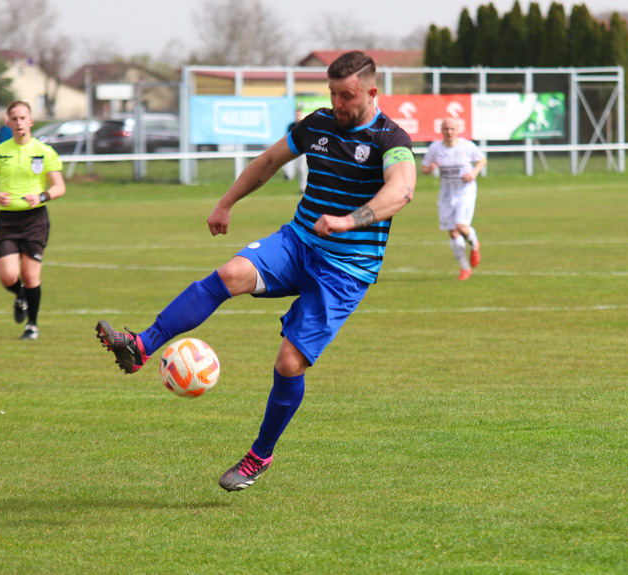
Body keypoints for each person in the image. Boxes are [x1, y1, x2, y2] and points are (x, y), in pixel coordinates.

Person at [95, 51, 416, 492]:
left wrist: (347, 220)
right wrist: (226, 202)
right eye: (333, 94)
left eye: (348, 96)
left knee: (288, 363)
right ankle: (141, 346)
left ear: (372, 92)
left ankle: (259, 454)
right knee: (229, 273)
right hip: (298, 242)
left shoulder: (391, 138)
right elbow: (268, 162)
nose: (339, 104)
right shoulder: (317, 124)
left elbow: (402, 190)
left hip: (345, 269)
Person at [0, 101, 66, 340]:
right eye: (14, 119)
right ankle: (21, 296)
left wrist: (41, 195)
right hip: (8, 220)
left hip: (35, 220)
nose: (19, 123)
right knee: (7, 276)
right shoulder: (0, 151)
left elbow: (59, 187)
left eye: (23, 118)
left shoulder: (43, 151)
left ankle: (32, 325)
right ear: (7, 123)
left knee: (31, 276)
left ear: (30, 121)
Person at [421, 117, 486, 281]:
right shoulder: (435, 148)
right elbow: (423, 168)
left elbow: (482, 160)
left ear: (458, 130)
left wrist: (473, 173)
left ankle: (474, 243)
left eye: (452, 129)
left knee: (461, 226)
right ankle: (465, 269)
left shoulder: (466, 146)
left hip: (465, 192)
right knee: (452, 230)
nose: (449, 132)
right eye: (446, 129)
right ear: (441, 131)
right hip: (446, 194)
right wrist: (428, 169)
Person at [282, 107, 308, 193]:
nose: (297, 116)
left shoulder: (304, 125)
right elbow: (287, 137)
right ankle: (288, 175)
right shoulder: (291, 126)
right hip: (293, 149)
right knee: (287, 162)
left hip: (302, 150)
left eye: (299, 114)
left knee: (302, 169)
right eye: (296, 114)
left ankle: (302, 188)